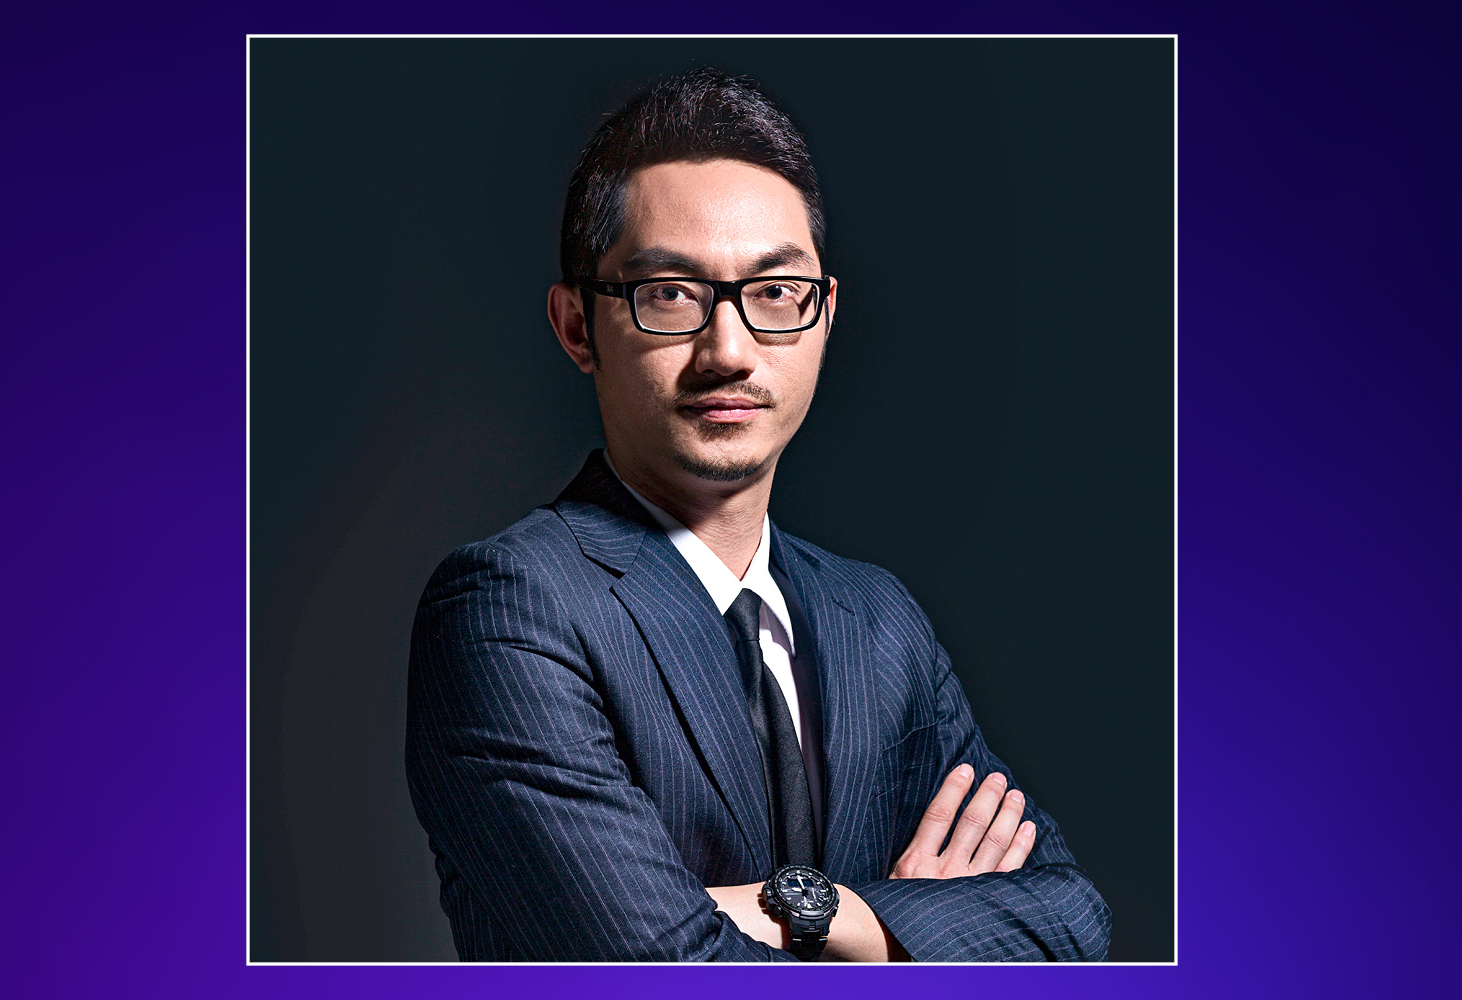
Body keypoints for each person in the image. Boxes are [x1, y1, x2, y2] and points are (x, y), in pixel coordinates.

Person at [406, 67, 1111, 962]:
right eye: (669, 293)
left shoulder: (878, 621)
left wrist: (826, 914)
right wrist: (909, 934)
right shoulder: (509, 608)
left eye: (775, 293)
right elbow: (661, 965)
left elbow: (1071, 922)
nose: (728, 352)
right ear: (578, 325)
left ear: (824, 318)